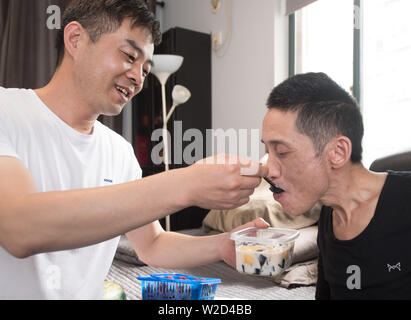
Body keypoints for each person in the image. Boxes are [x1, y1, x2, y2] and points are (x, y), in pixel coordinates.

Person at [0, 0, 268, 299]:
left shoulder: (119, 151)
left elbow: (152, 244)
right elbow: (19, 228)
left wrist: (221, 245)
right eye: (129, 56)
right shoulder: (6, 111)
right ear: (75, 39)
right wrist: (186, 183)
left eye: (145, 68)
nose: (139, 78)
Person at [261, 72, 411, 299]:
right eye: (267, 152)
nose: (267, 169)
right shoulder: (329, 215)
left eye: (281, 152)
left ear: (338, 152)